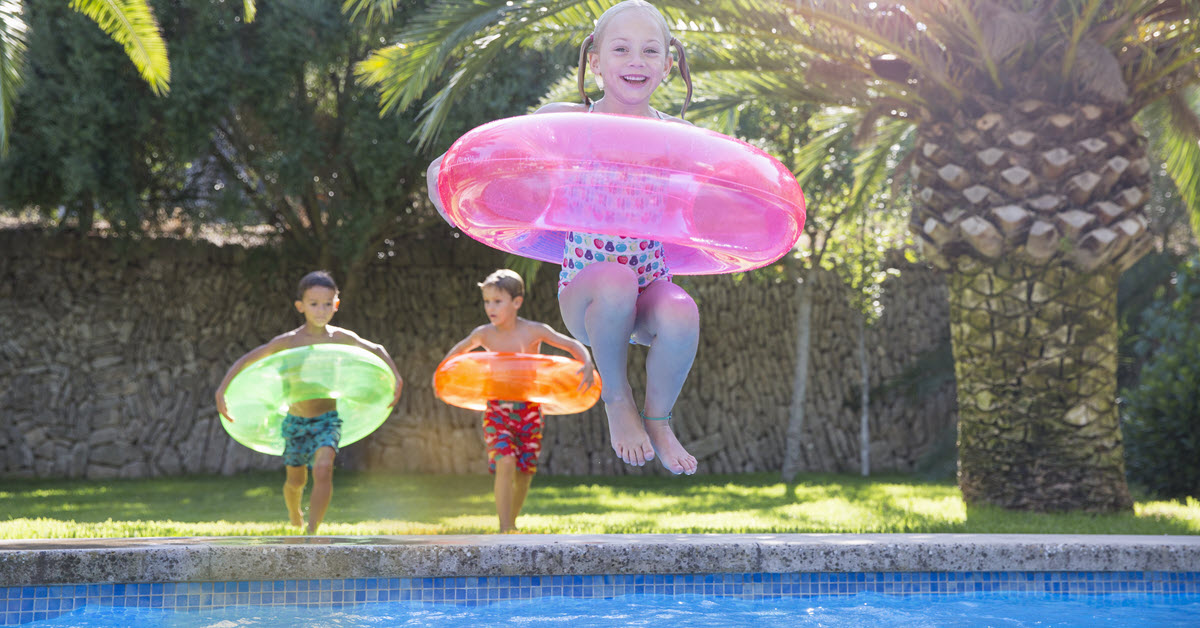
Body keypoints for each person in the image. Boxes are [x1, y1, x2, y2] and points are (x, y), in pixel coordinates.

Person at [427, 0, 699, 475]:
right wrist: (447, 177)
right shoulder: (566, 124)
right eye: (621, 49)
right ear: (594, 61)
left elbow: (722, 193)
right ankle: (618, 399)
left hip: (651, 282)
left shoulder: (677, 136)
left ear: (668, 65)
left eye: (650, 51)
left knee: (682, 310)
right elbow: (494, 154)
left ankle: (659, 419)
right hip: (588, 292)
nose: (636, 61)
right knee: (615, 280)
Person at [214, 270, 403, 534]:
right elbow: (247, 359)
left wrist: (396, 377)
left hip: (327, 420)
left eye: (328, 304)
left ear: (336, 305)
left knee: (324, 468)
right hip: (295, 422)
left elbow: (377, 350)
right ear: (300, 307)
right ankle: (295, 513)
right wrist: (222, 390)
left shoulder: (339, 339)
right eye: (314, 304)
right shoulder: (290, 342)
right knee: (296, 480)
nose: (321, 310)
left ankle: (312, 531)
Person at [438, 269, 595, 533]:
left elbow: (570, 345)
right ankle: (504, 527)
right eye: (487, 301)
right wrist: (441, 375)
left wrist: (587, 362)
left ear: (517, 302)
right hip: (498, 409)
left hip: (530, 411)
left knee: (525, 471)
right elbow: (457, 354)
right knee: (506, 461)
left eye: (497, 301)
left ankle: (512, 523)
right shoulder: (484, 334)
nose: (491, 307)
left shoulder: (534, 331)